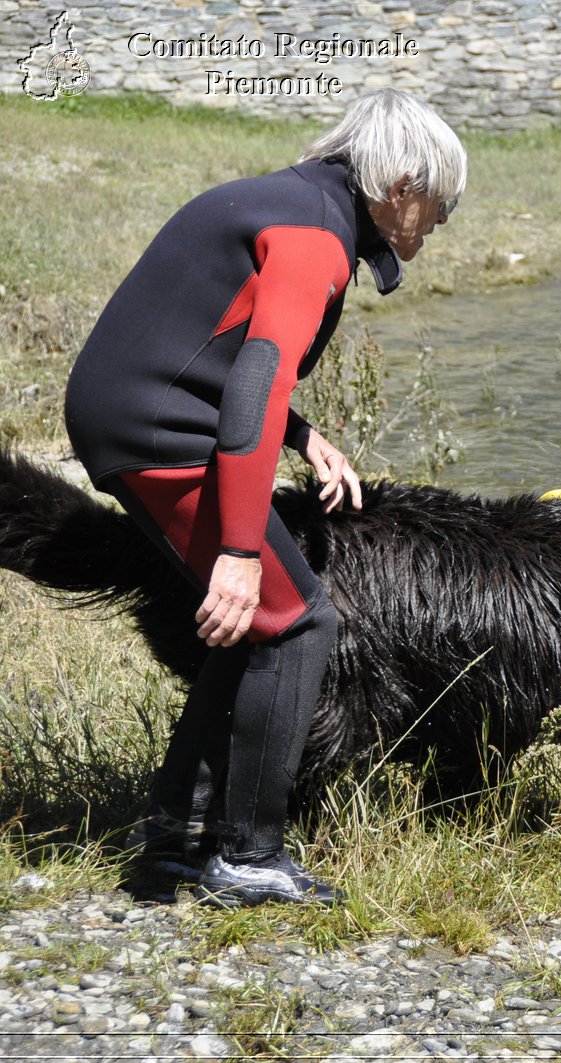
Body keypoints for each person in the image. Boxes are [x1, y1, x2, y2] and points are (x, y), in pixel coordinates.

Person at [64, 88, 467, 908]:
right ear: (401, 189)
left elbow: (216, 347)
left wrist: (304, 436)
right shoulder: (316, 237)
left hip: (129, 411)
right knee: (296, 621)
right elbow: (248, 389)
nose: (440, 223)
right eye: (441, 205)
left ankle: (178, 833)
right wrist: (242, 553)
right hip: (154, 430)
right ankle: (247, 855)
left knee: (259, 625)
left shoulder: (297, 202)